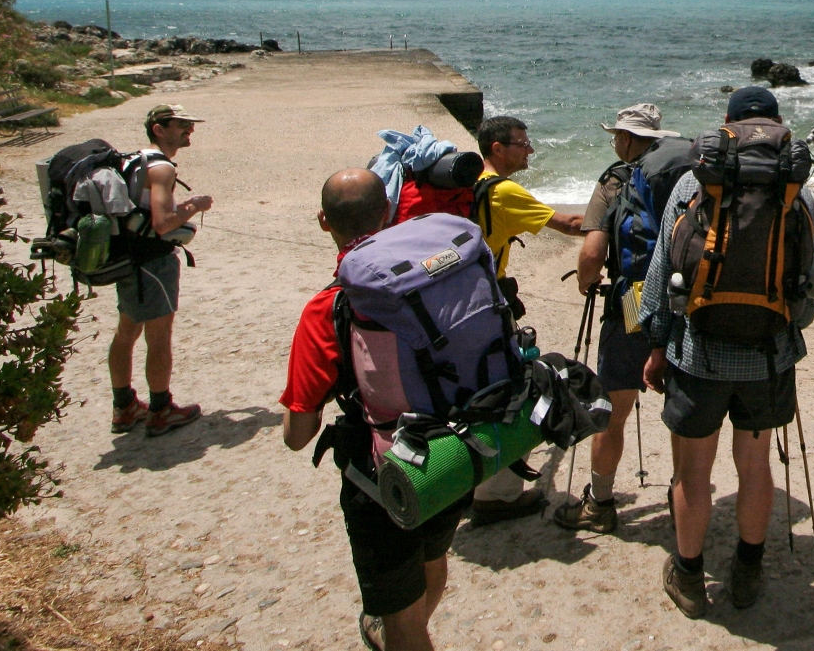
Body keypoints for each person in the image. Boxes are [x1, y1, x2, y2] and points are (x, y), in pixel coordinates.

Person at [639, 86, 814, 618]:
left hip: (699, 353)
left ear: (728, 125)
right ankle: (747, 569)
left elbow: (660, 275)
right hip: (768, 354)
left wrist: (656, 343)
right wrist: (789, 330)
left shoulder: (696, 182)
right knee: (755, 466)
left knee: (693, 473)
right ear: (777, 124)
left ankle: (690, 578)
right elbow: (805, 283)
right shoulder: (796, 188)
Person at [282, 169, 466, 651]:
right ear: (387, 212)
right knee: (431, 561)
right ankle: (405, 630)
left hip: (384, 474)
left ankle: (400, 634)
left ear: (324, 222)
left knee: (400, 622)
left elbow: (298, 432)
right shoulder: (430, 276)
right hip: (451, 453)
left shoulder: (328, 308)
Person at [554, 103, 690, 534]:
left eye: (617, 135)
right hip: (682, 301)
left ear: (629, 140)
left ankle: (601, 502)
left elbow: (592, 254)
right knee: (681, 409)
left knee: (613, 409)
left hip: (632, 302)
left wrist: (585, 282)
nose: (614, 141)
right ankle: (683, 494)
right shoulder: (689, 176)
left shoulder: (616, 180)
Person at [469, 114, 585, 524]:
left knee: (472, 387)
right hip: (486, 305)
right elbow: (569, 225)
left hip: (460, 304)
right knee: (507, 391)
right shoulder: (502, 192)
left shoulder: (470, 184)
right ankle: (496, 496)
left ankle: (466, 477)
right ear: (497, 149)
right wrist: (617, 220)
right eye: (521, 143)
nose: (530, 149)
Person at [108, 104, 213, 437]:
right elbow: (164, 222)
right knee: (158, 337)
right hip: (153, 261)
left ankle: (124, 405)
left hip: (127, 259)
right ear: (158, 129)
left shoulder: (132, 160)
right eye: (181, 125)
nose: (189, 130)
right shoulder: (161, 169)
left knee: (126, 331)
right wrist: (195, 205)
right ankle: (160, 409)